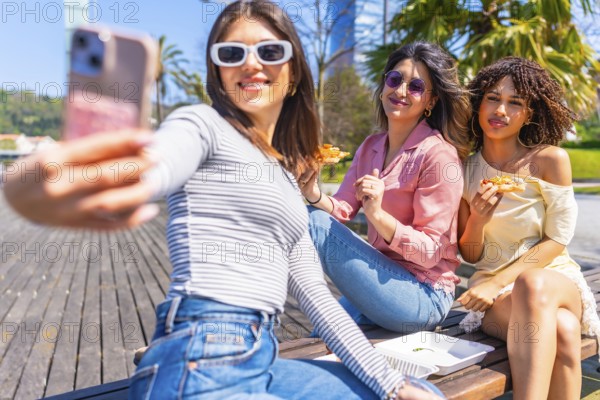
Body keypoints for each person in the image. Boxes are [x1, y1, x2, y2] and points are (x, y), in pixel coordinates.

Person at [3, 2, 444, 399]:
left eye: (269, 52)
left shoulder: (285, 181)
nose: (251, 64)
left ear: (292, 73)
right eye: (231, 54)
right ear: (218, 73)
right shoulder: (201, 125)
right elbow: (153, 165)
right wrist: (42, 183)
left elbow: (318, 297)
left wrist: (391, 384)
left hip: (260, 362)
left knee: (419, 392)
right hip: (201, 357)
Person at [299, 42, 470, 333]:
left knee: (311, 222)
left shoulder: (439, 156)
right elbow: (342, 208)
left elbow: (430, 251)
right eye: (394, 80)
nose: (401, 91)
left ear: (430, 101)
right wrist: (312, 192)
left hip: (423, 295)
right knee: (321, 336)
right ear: (383, 87)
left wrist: (378, 216)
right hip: (380, 280)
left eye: (416, 86)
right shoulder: (371, 146)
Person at [456, 57, 600, 400]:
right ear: (479, 103)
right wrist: (478, 219)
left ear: (529, 113)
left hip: (553, 280)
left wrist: (497, 281)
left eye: (515, 102)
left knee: (532, 283)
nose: (501, 109)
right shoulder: (463, 168)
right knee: (563, 331)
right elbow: (471, 254)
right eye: (493, 98)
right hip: (496, 298)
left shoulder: (549, 160)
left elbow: (556, 240)